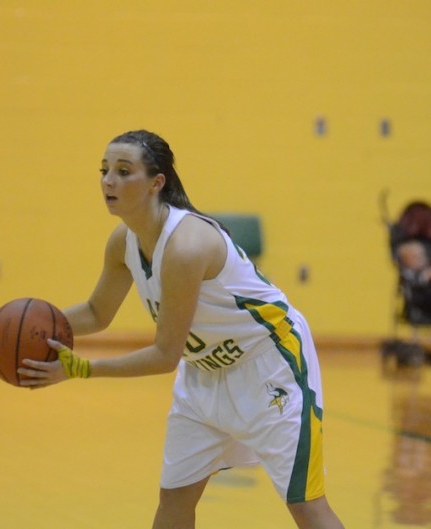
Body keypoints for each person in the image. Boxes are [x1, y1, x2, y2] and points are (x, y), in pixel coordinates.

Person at [18, 130, 345, 529]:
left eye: (124, 171)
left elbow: (164, 355)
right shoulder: (123, 242)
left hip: (270, 364)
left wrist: (82, 369)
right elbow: (96, 312)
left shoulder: (187, 246)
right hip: (204, 373)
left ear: (157, 183)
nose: (108, 181)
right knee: (174, 501)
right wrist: (35, 325)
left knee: (306, 506)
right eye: (104, 171)